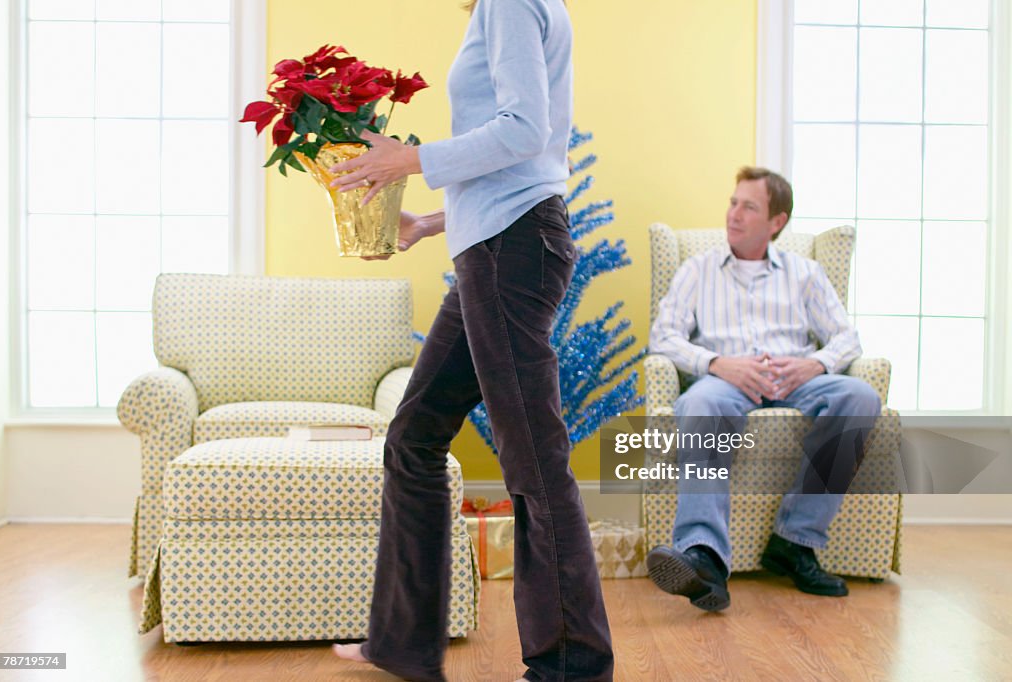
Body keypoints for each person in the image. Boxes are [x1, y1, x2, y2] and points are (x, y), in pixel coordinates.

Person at [330, 0, 614, 679]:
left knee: (535, 464)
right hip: (493, 246)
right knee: (415, 435)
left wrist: (411, 160)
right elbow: (519, 153)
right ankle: (403, 641)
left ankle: (571, 667)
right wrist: (431, 222)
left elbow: (524, 130)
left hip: (508, 253)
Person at [646, 167, 881, 612]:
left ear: (777, 222)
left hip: (796, 380)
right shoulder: (697, 270)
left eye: (748, 207)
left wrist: (815, 364)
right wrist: (716, 363)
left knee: (860, 397)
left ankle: (795, 541)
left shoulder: (805, 273)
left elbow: (846, 337)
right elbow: (663, 337)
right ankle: (705, 559)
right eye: (733, 202)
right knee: (699, 402)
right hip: (725, 383)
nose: (733, 214)